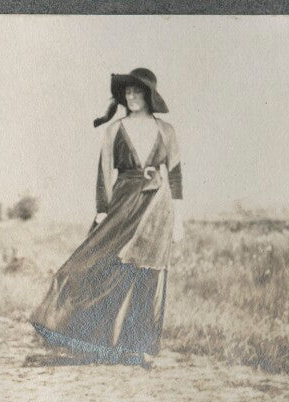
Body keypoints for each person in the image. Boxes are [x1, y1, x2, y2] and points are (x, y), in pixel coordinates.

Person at [29, 68, 184, 367]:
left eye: (138, 92)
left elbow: (175, 174)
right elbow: (104, 171)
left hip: (157, 208)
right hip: (123, 203)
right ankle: (96, 339)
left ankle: (137, 349)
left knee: (146, 274)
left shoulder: (167, 131)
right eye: (128, 92)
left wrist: (179, 218)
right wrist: (102, 209)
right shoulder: (113, 130)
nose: (133, 97)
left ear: (149, 95)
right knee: (91, 265)